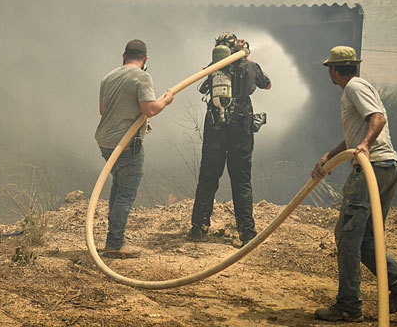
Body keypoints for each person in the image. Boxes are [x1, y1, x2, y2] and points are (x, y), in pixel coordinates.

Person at [311, 46, 397, 322]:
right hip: (388, 168)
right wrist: (331, 156)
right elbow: (360, 131)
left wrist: (363, 145)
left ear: (334, 69)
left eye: (330, 68)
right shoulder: (359, 86)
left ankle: (348, 305)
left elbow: (378, 119)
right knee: (368, 239)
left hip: (373, 168)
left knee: (348, 236)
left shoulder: (353, 88)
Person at [188, 32, 271, 247]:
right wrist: (246, 56)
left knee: (208, 176)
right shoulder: (249, 66)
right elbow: (267, 84)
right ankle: (247, 233)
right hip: (241, 127)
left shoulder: (214, 68)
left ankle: (199, 227)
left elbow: (202, 87)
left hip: (215, 125)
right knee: (241, 180)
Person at [95, 39, 174, 259]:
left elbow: (105, 110)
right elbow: (150, 108)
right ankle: (114, 244)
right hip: (126, 143)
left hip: (106, 140)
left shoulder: (108, 77)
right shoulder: (142, 76)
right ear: (145, 59)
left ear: (123, 56)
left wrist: (138, 121)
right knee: (126, 193)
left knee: (118, 187)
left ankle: (113, 238)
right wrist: (166, 100)